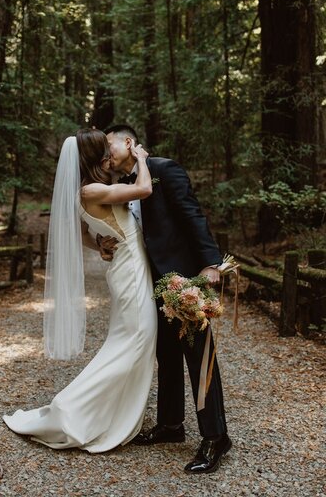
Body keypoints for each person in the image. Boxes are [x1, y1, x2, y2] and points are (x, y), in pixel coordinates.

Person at [3, 128, 157, 453]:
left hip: (127, 270)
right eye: (104, 147)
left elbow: (79, 232)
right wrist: (142, 158)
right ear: (92, 156)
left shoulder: (84, 192)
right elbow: (143, 189)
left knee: (129, 344)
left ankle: (106, 413)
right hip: (130, 273)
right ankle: (69, 410)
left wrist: (99, 243)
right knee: (136, 342)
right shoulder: (91, 191)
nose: (108, 151)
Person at [104, 124, 231, 474]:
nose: (106, 153)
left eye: (109, 145)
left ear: (129, 143)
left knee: (199, 353)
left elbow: (192, 214)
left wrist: (209, 264)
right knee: (166, 352)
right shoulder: (122, 184)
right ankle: (172, 425)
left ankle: (216, 436)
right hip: (149, 280)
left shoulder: (163, 169)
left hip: (183, 275)